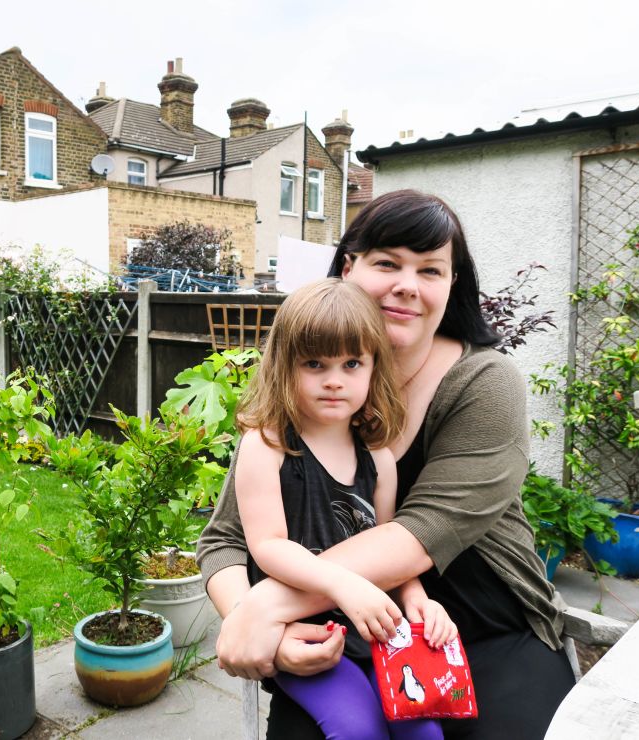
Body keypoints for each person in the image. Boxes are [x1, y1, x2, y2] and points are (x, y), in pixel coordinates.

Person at [197, 190, 575, 739]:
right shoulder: (298, 398)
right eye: (387, 263)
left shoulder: (484, 383)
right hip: (340, 637)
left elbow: (421, 533)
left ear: (451, 286)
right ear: (348, 267)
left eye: (431, 270)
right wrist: (255, 626)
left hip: (485, 626)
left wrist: (265, 607)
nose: (407, 284)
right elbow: (226, 539)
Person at [234, 278, 456, 739]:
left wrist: (417, 600)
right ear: (285, 367)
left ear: (373, 368)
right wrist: (345, 585)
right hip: (307, 634)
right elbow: (267, 546)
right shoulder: (268, 446)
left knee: (425, 731)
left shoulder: (379, 462)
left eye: (351, 363)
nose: (334, 379)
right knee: (356, 731)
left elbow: (389, 548)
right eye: (315, 363)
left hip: (373, 624)